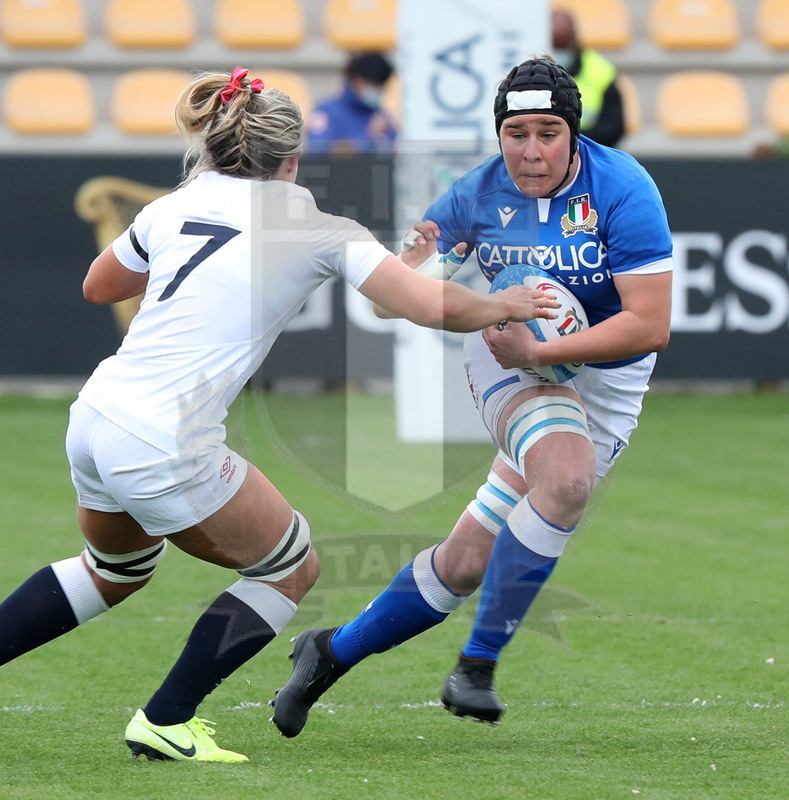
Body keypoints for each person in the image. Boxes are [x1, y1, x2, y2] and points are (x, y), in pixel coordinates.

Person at [0, 66, 559, 763]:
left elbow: (99, 286)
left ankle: (162, 716)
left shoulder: (176, 204)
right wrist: (506, 303)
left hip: (96, 416)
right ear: (294, 159)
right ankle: (166, 720)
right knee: (289, 567)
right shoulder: (318, 227)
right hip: (163, 438)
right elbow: (424, 306)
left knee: (111, 570)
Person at [270, 56, 673, 736]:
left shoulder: (622, 188)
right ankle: (476, 666)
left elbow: (649, 326)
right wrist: (412, 265)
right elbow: (397, 300)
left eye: (548, 133)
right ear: (498, 134)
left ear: (573, 133)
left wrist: (543, 351)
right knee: (567, 479)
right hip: (506, 357)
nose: (531, 151)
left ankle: (329, 652)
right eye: (516, 133)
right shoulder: (473, 196)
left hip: (603, 376)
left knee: (465, 563)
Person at [551, 9, 625, 148]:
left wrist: (572, 140)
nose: (559, 54)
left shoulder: (601, 72)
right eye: (555, 47)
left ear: (574, 39)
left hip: (591, 151)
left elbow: (614, 127)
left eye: (562, 47)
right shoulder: (531, 73)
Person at [307, 52, 397, 154]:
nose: (377, 91)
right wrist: (368, 137)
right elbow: (318, 151)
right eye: (374, 85)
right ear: (356, 80)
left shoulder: (379, 115)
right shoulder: (326, 112)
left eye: (381, 87)